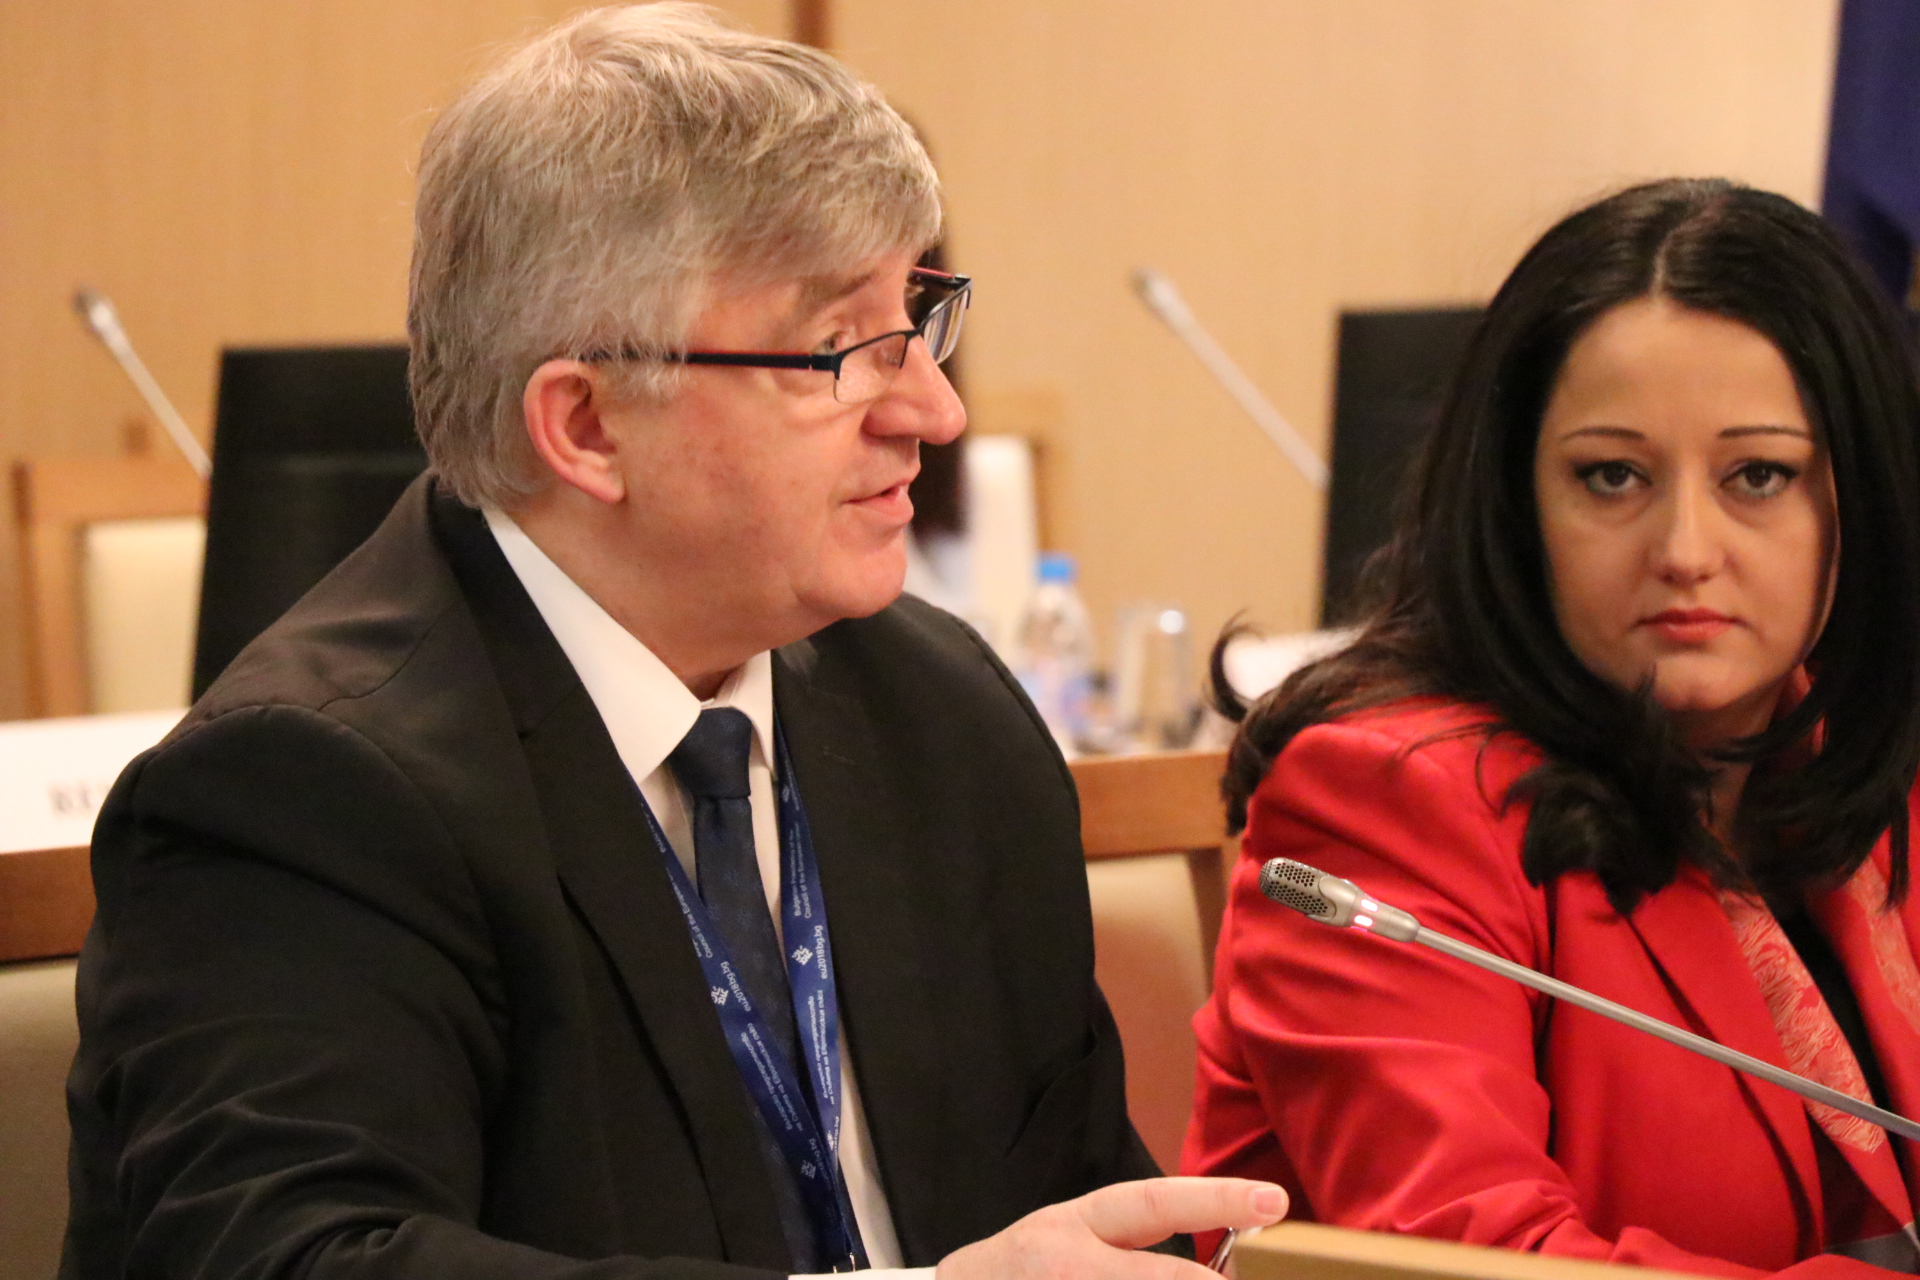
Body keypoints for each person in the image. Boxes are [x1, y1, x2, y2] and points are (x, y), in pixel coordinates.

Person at [61, 8, 1286, 1280]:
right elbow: (306, 1258)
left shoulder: (945, 714)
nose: (933, 407)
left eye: (918, 316)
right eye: (840, 347)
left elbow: (1076, 1214)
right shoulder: (303, 794)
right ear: (588, 425)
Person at [1182, 178, 1920, 1277]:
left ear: (1860, 495)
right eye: (1612, 476)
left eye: (1758, 475)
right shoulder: (1381, 802)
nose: (1685, 549)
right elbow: (1474, 1259)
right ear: (1518, 502)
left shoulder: (1861, 761)